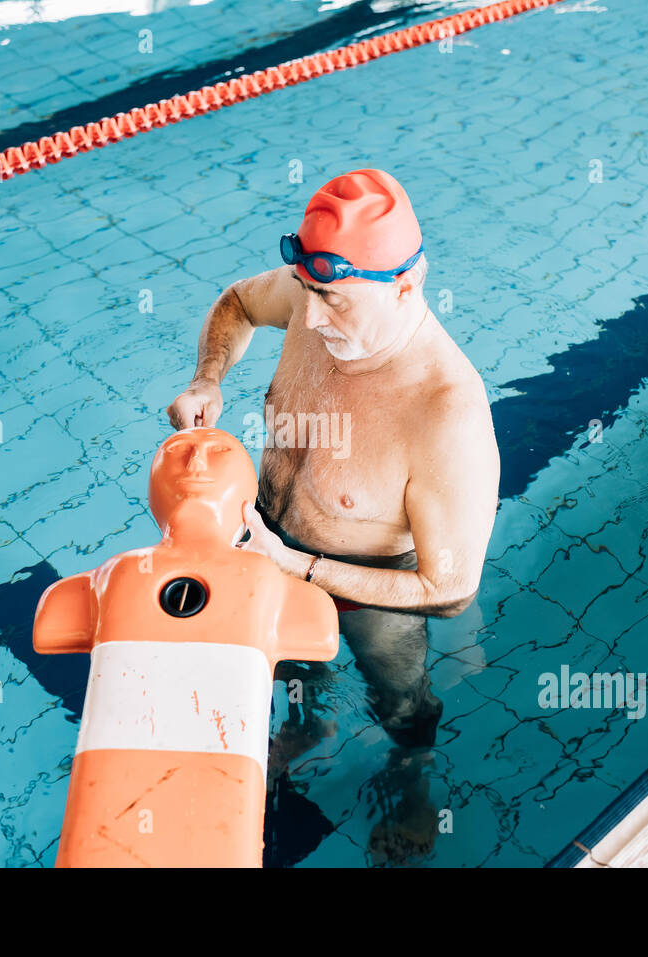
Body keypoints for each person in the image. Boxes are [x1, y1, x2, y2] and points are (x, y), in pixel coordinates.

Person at [167, 169, 499, 860]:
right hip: (269, 547)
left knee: (403, 705)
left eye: (335, 301)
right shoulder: (312, 295)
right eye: (309, 294)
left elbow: (450, 587)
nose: (310, 318)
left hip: (371, 589)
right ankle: (310, 727)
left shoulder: (446, 412)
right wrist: (208, 376)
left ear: (407, 283)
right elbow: (236, 302)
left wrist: (302, 565)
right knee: (289, 665)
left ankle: (412, 790)